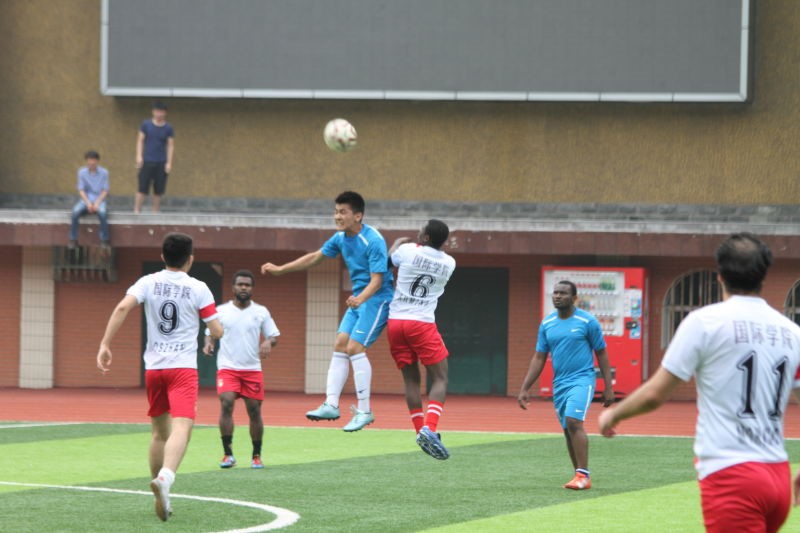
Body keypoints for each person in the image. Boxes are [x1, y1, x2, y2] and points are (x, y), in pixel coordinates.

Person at [599, 233, 800, 532]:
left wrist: (614, 414)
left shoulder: (705, 322)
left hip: (732, 475)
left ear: (720, 276)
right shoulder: (791, 332)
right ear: (763, 275)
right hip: (778, 475)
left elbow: (655, 394)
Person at [96, 233, 223, 522]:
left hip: (154, 369)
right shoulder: (199, 288)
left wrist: (105, 344)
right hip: (183, 369)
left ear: (163, 256)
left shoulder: (147, 282)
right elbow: (216, 329)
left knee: (158, 433)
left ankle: (160, 494)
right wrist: (217, 331)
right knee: (183, 426)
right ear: (190, 259)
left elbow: (122, 307)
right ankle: (165, 478)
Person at [261, 191, 393, 432]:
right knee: (340, 344)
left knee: (354, 348)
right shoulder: (340, 238)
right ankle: (331, 404)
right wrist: (281, 269)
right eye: (335, 211)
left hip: (377, 300)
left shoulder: (373, 240)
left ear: (358, 216)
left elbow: (378, 280)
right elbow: (315, 257)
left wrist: (360, 299)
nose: (337, 216)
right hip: (358, 300)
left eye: (343, 212)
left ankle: (365, 411)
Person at [517, 280, 614, 490]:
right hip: (560, 383)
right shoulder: (547, 323)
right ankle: (579, 475)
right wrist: (525, 388)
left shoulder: (587, 322)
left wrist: (608, 386)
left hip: (583, 379)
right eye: (556, 293)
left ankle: (583, 475)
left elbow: (602, 353)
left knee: (573, 421)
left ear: (574, 298)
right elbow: (539, 357)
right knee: (568, 429)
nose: (558, 296)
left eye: (563, 293)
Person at [387, 219, 456, 460]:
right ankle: (430, 428)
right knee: (440, 377)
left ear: (426, 237)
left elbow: (387, 263)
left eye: (421, 231)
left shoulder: (407, 250)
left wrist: (395, 245)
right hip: (422, 323)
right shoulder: (449, 262)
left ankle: (419, 432)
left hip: (396, 322)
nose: (417, 233)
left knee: (411, 380)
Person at [203, 270, 280, 470]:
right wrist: (208, 342)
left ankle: (256, 456)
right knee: (226, 403)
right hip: (228, 368)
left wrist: (268, 342)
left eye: (247, 285)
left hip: (252, 370)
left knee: (254, 410)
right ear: (233, 287)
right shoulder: (221, 311)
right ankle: (228, 454)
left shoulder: (261, 311)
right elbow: (210, 332)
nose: (243, 287)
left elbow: (273, 336)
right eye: (240, 284)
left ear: (252, 288)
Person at [135, 101, 174, 213]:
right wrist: (139, 156)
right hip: (147, 161)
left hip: (161, 161)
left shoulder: (168, 128)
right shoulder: (146, 125)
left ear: (165, 113)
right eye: (157, 111)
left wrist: (169, 162)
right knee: (142, 188)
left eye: (161, 112)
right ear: (153, 112)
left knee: (158, 190)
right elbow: (140, 141)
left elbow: (170, 145)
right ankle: (137, 210)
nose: (159, 114)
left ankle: (155, 212)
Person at [68, 150, 110, 249]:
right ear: (86, 161)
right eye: (89, 160)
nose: (91, 162)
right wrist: (88, 203)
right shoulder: (81, 172)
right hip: (85, 200)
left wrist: (97, 203)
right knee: (75, 212)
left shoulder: (104, 173)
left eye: (93, 160)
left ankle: (104, 240)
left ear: (97, 161)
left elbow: (105, 191)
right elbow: (81, 190)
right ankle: (73, 239)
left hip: (99, 199)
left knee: (103, 213)